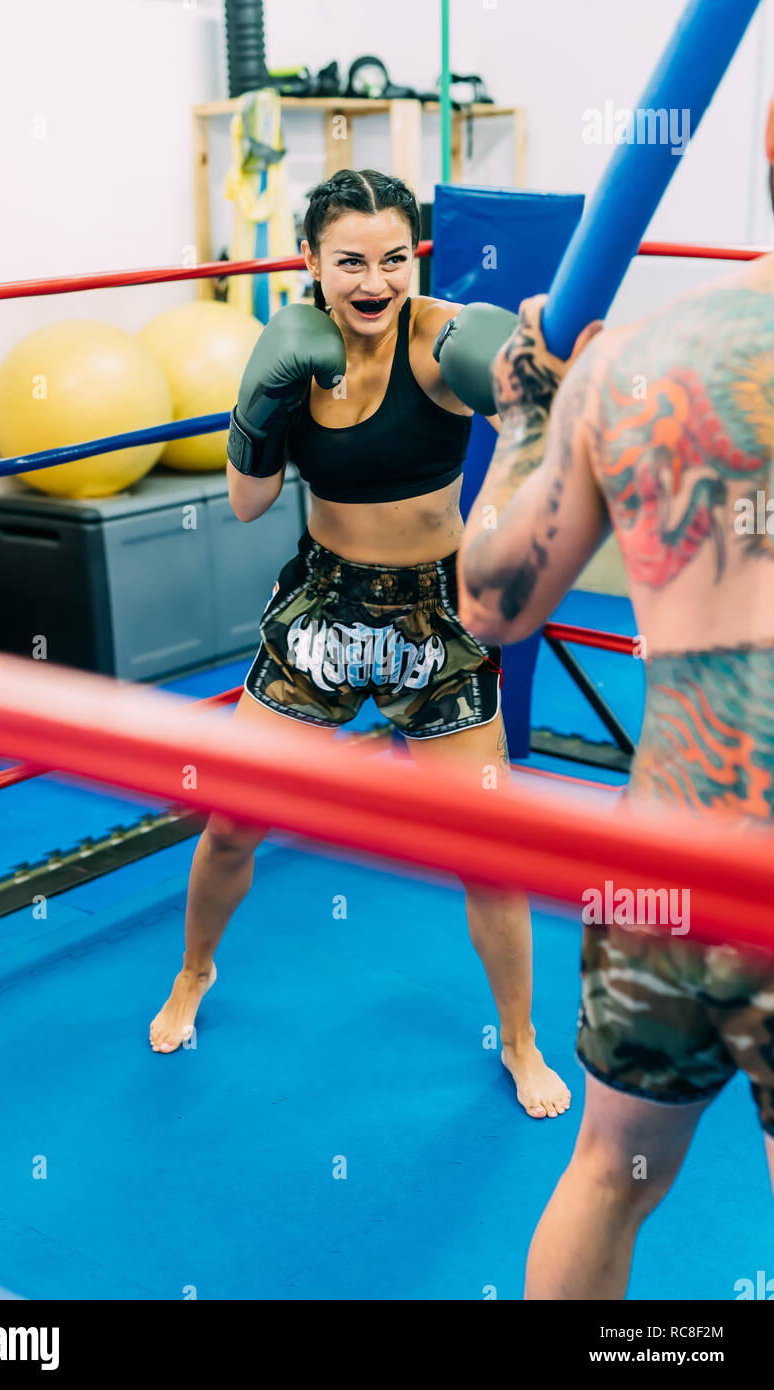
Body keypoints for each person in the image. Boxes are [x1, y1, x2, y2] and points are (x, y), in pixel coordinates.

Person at [150, 168, 572, 1121]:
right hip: (324, 609)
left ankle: (519, 1041)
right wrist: (262, 404)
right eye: (349, 262)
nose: (373, 280)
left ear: (414, 257)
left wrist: (505, 460)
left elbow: (542, 421)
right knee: (229, 822)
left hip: (437, 614)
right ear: (312, 264)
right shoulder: (293, 348)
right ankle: (195, 972)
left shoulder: (446, 339)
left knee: (488, 851)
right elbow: (249, 502)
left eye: (393, 258)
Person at [456, 101, 774, 1297]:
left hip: (665, 867)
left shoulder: (635, 359)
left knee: (607, 1172)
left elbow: (487, 605)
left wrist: (530, 414)